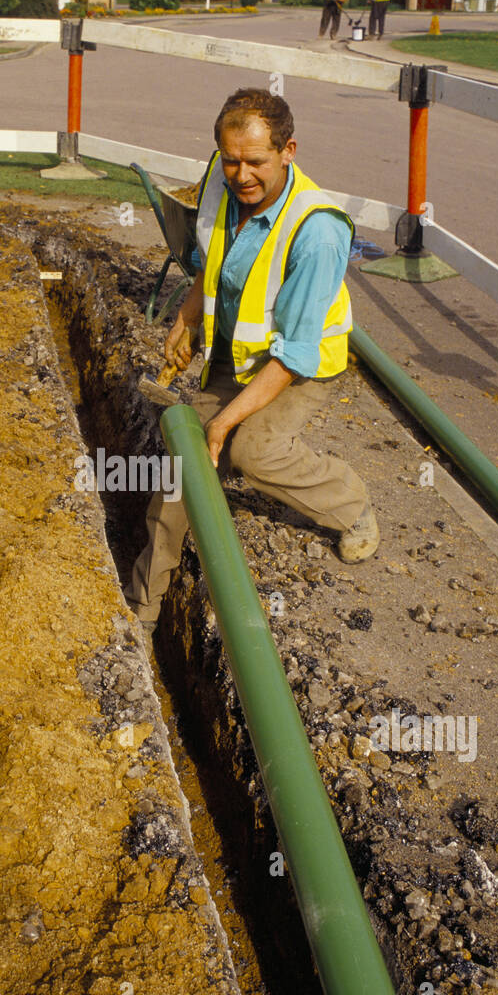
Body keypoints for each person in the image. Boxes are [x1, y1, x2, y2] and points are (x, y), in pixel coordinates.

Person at [126, 88, 379, 635]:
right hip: (237, 352)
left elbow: (293, 355)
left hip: (297, 364)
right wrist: (189, 316)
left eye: (256, 162)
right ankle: (143, 609)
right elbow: (208, 257)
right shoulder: (222, 174)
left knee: (251, 451)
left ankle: (350, 503)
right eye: (232, 159)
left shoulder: (318, 232)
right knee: (187, 466)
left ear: (289, 149)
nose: (241, 175)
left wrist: (225, 419)